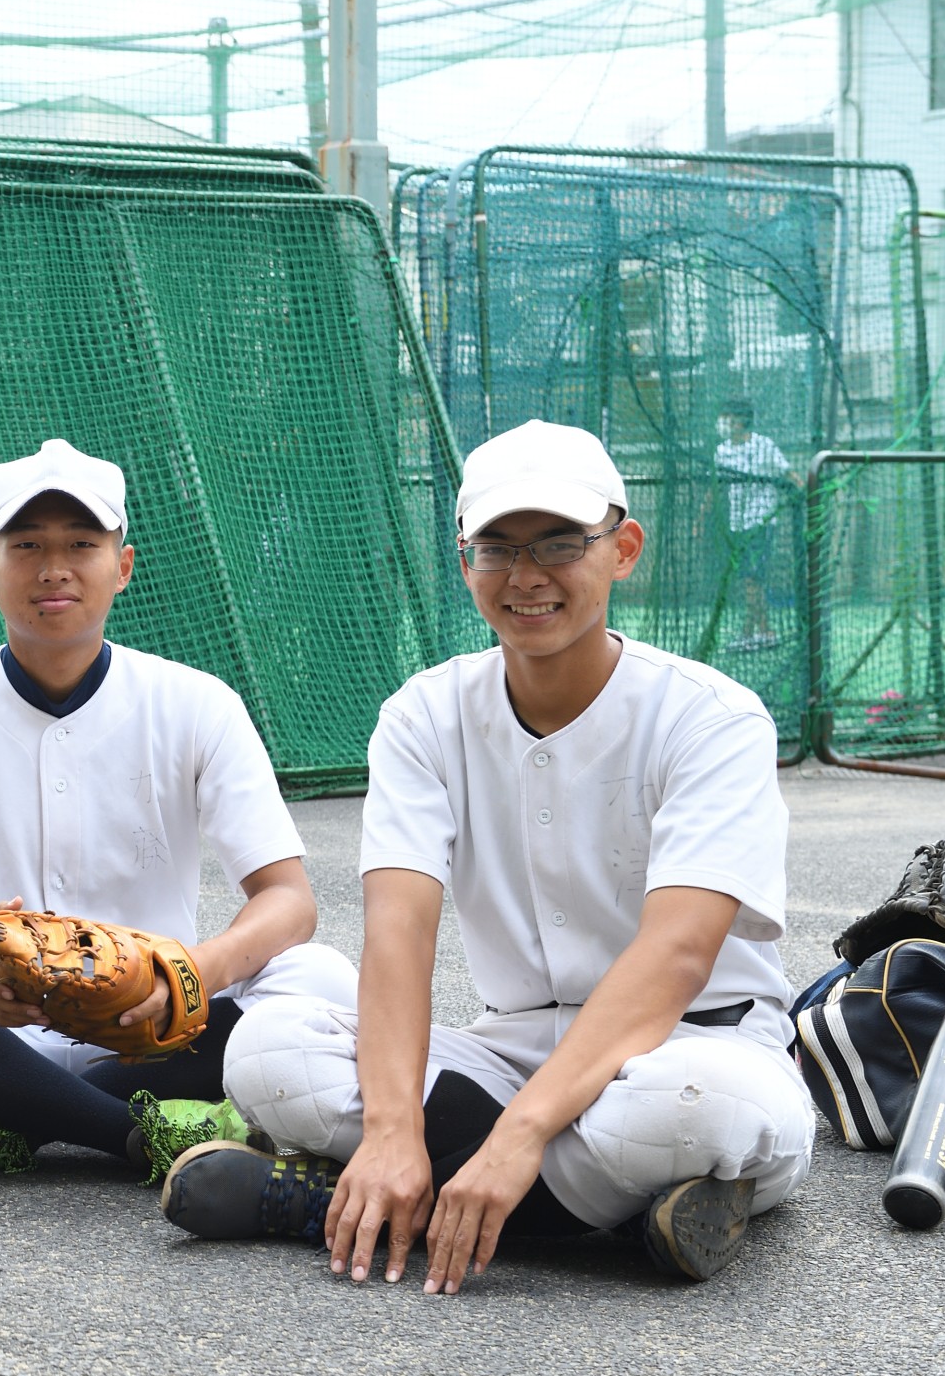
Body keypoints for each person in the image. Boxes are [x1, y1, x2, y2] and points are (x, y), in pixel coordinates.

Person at [171, 420, 812, 1288]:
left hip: (694, 1044)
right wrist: (395, 1128)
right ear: (463, 558)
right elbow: (398, 933)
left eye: (559, 542)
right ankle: (622, 1221)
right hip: (508, 1048)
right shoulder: (423, 715)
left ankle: (325, 1208)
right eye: (497, 548)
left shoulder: (712, 717)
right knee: (267, 1052)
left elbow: (678, 955)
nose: (527, 575)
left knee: (698, 1111)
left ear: (623, 549)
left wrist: (518, 1135)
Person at [0, 438, 357, 1188]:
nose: (54, 567)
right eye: (26, 544)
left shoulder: (196, 703)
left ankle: (2, 1122)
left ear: (122, 567)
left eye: (82, 543)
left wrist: (190, 975)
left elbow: (288, 899)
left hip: (156, 1028)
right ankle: (136, 1133)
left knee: (322, 977)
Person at [715, 399, 800, 651]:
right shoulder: (722, 451)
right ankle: (764, 630)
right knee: (750, 579)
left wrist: (808, 492)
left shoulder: (764, 445)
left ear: (740, 421)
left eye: (727, 417)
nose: (722, 423)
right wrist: (700, 519)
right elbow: (715, 488)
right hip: (737, 524)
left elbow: (788, 473)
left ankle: (751, 631)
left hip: (761, 520)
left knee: (752, 577)